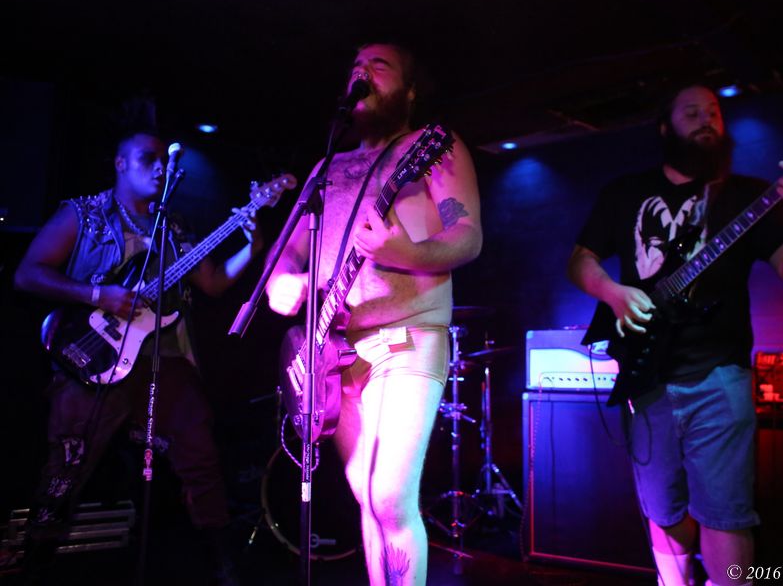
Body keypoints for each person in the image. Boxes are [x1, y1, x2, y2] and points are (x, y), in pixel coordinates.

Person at [567, 84, 783, 586]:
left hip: (719, 374)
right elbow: (581, 261)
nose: (706, 119)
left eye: (713, 112)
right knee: (662, 510)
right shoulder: (625, 192)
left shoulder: (747, 196)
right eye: (691, 112)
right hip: (646, 377)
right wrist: (613, 292)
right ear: (665, 128)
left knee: (726, 513)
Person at [265, 42, 482, 586]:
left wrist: (404, 253)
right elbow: (287, 254)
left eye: (379, 66)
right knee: (365, 491)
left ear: (409, 91)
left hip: (409, 336)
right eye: (356, 67)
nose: (362, 72)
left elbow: (467, 236)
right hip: (336, 350)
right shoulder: (327, 168)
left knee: (389, 494)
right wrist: (284, 281)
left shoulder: (433, 146)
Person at [13, 130, 263, 585]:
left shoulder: (174, 228)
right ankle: (35, 561)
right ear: (120, 164)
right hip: (92, 362)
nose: (160, 167)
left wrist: (252, 247)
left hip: (162, 361)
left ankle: (219, 559)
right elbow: (28, 273)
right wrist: (97, 295)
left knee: (200, 451)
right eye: (148, 158)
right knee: (67, 465)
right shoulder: (83, 215)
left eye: (163, 160)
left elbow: (213, 282)